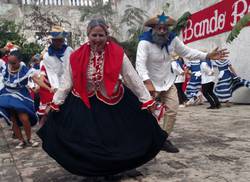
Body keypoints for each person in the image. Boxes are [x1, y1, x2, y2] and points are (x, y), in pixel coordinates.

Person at [37, 18, 179, 177]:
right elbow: (67, 82)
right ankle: (94, 170)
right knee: (87, 140)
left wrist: (146, 99)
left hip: (113, 100)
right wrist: (56, 102)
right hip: (84, 101)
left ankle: (122, 165)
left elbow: (131, 78)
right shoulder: (76, 55)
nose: (97, 39)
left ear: (106, 35)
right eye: (94, 35)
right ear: (88, 35)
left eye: (101, 35)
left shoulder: (118, 53)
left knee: (119, 137)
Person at [136, 12, 229, 135]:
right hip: (150, 83)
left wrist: (207, 55)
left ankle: (163, 138)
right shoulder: (144, 43)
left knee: (172, 110)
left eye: (165, 28)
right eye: (159, 28)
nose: (163, 31)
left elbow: (188, 52)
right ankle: (145, 137)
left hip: (168, 82)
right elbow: (140, 64)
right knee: (147, 113)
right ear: (153, 28)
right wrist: (147, 82)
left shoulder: (172, 39)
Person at [0, 50, 51, 149]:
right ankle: (21, 141)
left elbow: (37, 80)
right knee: (13, 119)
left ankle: (29, 139)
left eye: (13, 63)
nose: (11, 65)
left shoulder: (25, 70)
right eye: (9, 62)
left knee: (24, 118)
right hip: (7, 94)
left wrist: (49, 88)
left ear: (19, 61)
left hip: (20, 95)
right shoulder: (5, 67)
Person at [37, 26, 73, 121]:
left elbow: (73, 67)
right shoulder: (47, 56)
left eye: (60, 40)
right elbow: (52, 74)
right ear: (52, 41)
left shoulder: (69, 50)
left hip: (72, 85)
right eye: (56, 40)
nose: (59, 42)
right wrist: (57, 90)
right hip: (59, 88)